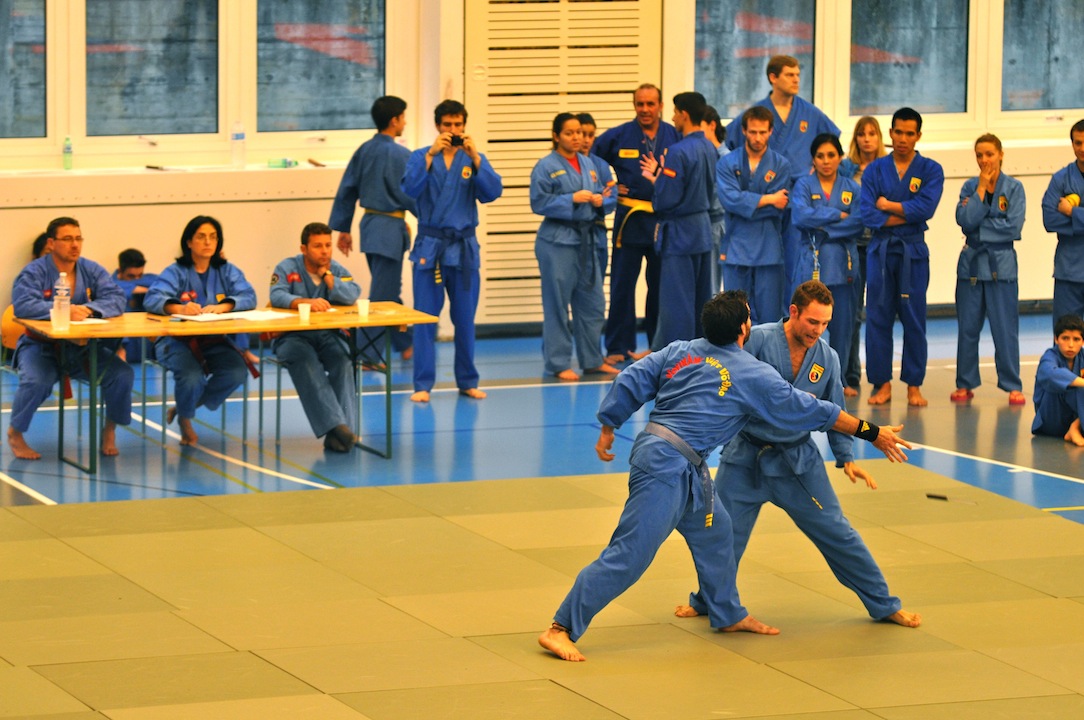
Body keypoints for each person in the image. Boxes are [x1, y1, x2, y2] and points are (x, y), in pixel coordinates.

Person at [538, 289, 913, 662]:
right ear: (743, 329)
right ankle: (561, 628)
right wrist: (873, 432)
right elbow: (816, 410)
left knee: (717, 533)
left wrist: (609, 425)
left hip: (683, 463)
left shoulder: (680, 351)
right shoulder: (751, 372)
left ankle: (728, 613)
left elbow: (634, 377)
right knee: (629, 554)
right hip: (665, 468)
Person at [674, 282, 920, 629]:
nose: (818, 330)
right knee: (722, 537)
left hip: (797, 463)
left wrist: (846, 457)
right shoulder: (756, 341)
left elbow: (835, 410)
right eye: (812, 322)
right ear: (793, 312)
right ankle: (705, 600)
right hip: (745, 458)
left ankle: (883, 604)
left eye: (825, 323)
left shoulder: (827, 358)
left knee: (839, 534)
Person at [401, 99, 503, 403]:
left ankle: (468, 381)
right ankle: (422, 384)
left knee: (465, 319)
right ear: (437, 126)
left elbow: (492, 193)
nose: (453, 130)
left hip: (464, 250)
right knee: (424, 319)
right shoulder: (421, 156)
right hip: (430, 249)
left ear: (464, 126)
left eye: (458, 125)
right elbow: (409, 190)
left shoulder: (473, 159)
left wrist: (477, 159)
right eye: (447, 125)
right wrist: (430, 155)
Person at [8, 217, 133, 460]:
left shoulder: (91, 269)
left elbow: (117, 298)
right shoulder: (34, 271)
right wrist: (63, 310)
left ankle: (109, 429)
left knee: (122, 375)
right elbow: (22, 305)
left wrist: (91, 310)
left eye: (78, 238)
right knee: (36, 381)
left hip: (82, 348)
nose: (75, 245)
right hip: (40, 346)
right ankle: (15, 433)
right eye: (67, 239)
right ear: (51, 243)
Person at [143, 215, 258, 446]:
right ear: (189, 242)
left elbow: (249, 296)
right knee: (191, 378)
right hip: (175, 341)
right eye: (201, 237)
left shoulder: (227, 270)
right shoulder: (176, 271)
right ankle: (185, 419)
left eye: (213, 237)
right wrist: (180, 308)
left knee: (237, 372)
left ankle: (183, 408)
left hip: (213, 340)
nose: (208, 242)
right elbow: (152, 298)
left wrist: (224, 306)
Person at [859, 107, 944, 407]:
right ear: (891, 133)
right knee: (878, 318)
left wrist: (887, 205)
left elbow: (926, 209)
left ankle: (913, 386)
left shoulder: (931, 170)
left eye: (910, 133)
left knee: (914, 319)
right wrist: (906, 213)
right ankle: (881, 384)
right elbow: (868, 214)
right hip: (881, 252)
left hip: (913, 252)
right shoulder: (874, 170)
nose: (903, 139)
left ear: (918, 135)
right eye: (899, 132)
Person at [591, 84, 681, 363]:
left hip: (661, 220)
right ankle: (618, 346)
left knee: (660, 287)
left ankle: (659, 346)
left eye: (650, 104)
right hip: (629, 219)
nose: (645, 109)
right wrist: (608, 185)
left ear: (660, 106)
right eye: (640, 104)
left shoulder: (674, 135)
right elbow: (590, 158)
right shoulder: (618, 136)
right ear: (634, 105)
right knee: (622, 285)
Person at [329, 95, 417, 362]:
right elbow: (414, 194)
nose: (405, 122)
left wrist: (343, 228)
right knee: (382, 297)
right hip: (390, 231)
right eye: (403, 117)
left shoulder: (364, 150)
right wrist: (432, 223)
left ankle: (407, 343)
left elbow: (347, 189)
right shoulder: (402, 155)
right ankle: (368, 354)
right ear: (394, 120)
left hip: (369, 227)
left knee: (386, 291)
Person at [530, 113, 618, 380]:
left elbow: (609, 193)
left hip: (587, 240)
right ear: (556, 136)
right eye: (569, 133)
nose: (577, 137)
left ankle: (592, 360)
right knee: (557, 305)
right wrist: (571, 199)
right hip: (557, 241)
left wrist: (602, 201)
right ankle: (558, 363)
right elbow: (538, 202)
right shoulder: (545, 166)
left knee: (593, 303)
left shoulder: (589, 163)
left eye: (579, 132)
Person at [269, 222, 362, 451]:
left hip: (328, 336)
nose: (325, 251)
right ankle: (339, 428)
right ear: (304, 249)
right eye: (318, 246)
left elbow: (352, 294)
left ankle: (339, 434)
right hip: (292, 337)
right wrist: (304, 302)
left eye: (328, 245)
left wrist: (328, 277)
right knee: (306, 362)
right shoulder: (287, 268)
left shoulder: (336, 270)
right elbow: (276, 294)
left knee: (343, 361)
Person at [953, 134, 1026, 406]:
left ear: (1000, 154)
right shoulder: (970, 186)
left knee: (1005, 329)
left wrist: (979, 228)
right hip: (971, 267)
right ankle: (965, 382)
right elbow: (964, 220)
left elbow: (1013, 227)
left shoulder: (1014, 188)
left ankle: (1012, 384)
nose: (984, 160)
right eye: (979, 155)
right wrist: (982, 189)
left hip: (1001, 266)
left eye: (989, 154)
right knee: (967, 328)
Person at [639, 91, 716, 350]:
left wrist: (658, 184)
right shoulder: (709, 147)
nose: (672, 118)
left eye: (674, 113)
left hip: (680, 233)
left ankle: (677, 359)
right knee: (701, 301)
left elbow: (667, 198)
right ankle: (702, 354)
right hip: (702, 229)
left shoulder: (677, 151)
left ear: (684, 114)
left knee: (677, 303)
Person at [790, 134, 863, 378]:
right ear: (813, 159)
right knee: (806, 326)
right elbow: (800, 216)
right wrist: (836, 215)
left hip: (844, 264)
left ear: (840, 157)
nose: (826, 161)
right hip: (812, 263)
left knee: (843, 327)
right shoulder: (804, 185)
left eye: (831, 155)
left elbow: (858, 222)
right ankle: (804, 378)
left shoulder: (852, 188)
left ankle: (839, 380)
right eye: (820, 156)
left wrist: (823, 227)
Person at [716, 105, 792, 325]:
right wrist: (768, 199)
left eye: (762, 132)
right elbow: (729, 200)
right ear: (744, 131)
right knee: (734, 316)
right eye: (752, 132)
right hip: (736, 246)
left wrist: (744, 204)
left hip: (768, 247)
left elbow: (780, 205)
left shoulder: (781, 165)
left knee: (770, 318)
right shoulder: (727, 163)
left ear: (770, 131)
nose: (757, 138)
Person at [724, 55, 841, 182]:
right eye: (790, 75)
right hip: (765, 186)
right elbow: (726, 142)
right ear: (773, 78)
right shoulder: (755, 114)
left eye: (797, 75)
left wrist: (818, 167)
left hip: (802, 186)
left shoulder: (810, 112)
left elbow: (832, 142)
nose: (796, 80)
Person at [841, 116, 888, 396]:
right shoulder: (847, 169)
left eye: (872, 133)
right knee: (851, 313)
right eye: (862, 134)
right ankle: (850, 374)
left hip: (881, 243)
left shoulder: (887, 168)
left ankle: (881, 378)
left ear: (879, 137)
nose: (867, 139)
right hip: (854, 245)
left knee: (879, 311)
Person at [1041, 119, 1084, 325]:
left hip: (1071, 258)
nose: (1082, 148)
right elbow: (1049, 220)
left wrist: (1072, 212)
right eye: (1078, 143)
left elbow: (1061, 217)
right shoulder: (1061, 178)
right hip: (1069, 271)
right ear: (1072, 144)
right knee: (1065, 332)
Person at [1032, 314, 1084, 446]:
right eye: (1065, 338)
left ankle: (1075, 427)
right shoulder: (1049, 357)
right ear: (1056, 339)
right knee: (1075, 386)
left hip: (1075, 415)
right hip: (1052, 419)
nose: (1070, 345)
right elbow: (1050, 374)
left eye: (1076, 339)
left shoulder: (1082, 356)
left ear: (1083, 341)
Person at [576, 112, 614, 279]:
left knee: (596, 282)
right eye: (583, 134)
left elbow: (612, 196)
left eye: (591, 135)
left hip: (597, 231)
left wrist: (600, 201)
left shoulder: (600, 165)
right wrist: (595, 195)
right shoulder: (562, 163)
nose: (586, 140)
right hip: (572, 232)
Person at [112, 248, 159, 362]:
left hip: (147, 348)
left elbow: (162, 286)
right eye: (131, 277)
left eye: (140, 276)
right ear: (120, 271)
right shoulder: (109, 283)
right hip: (124, 347)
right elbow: (115, 287)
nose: (137, 279)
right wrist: (143, 289)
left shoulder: (150, 278)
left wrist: (134, 287)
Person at [701, 105, 729, 293]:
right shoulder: (702, 154)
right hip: (706, 224)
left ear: (712, 125)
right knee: (707, 283)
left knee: (718, 284)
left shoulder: (727, 159)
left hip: (721, 223)